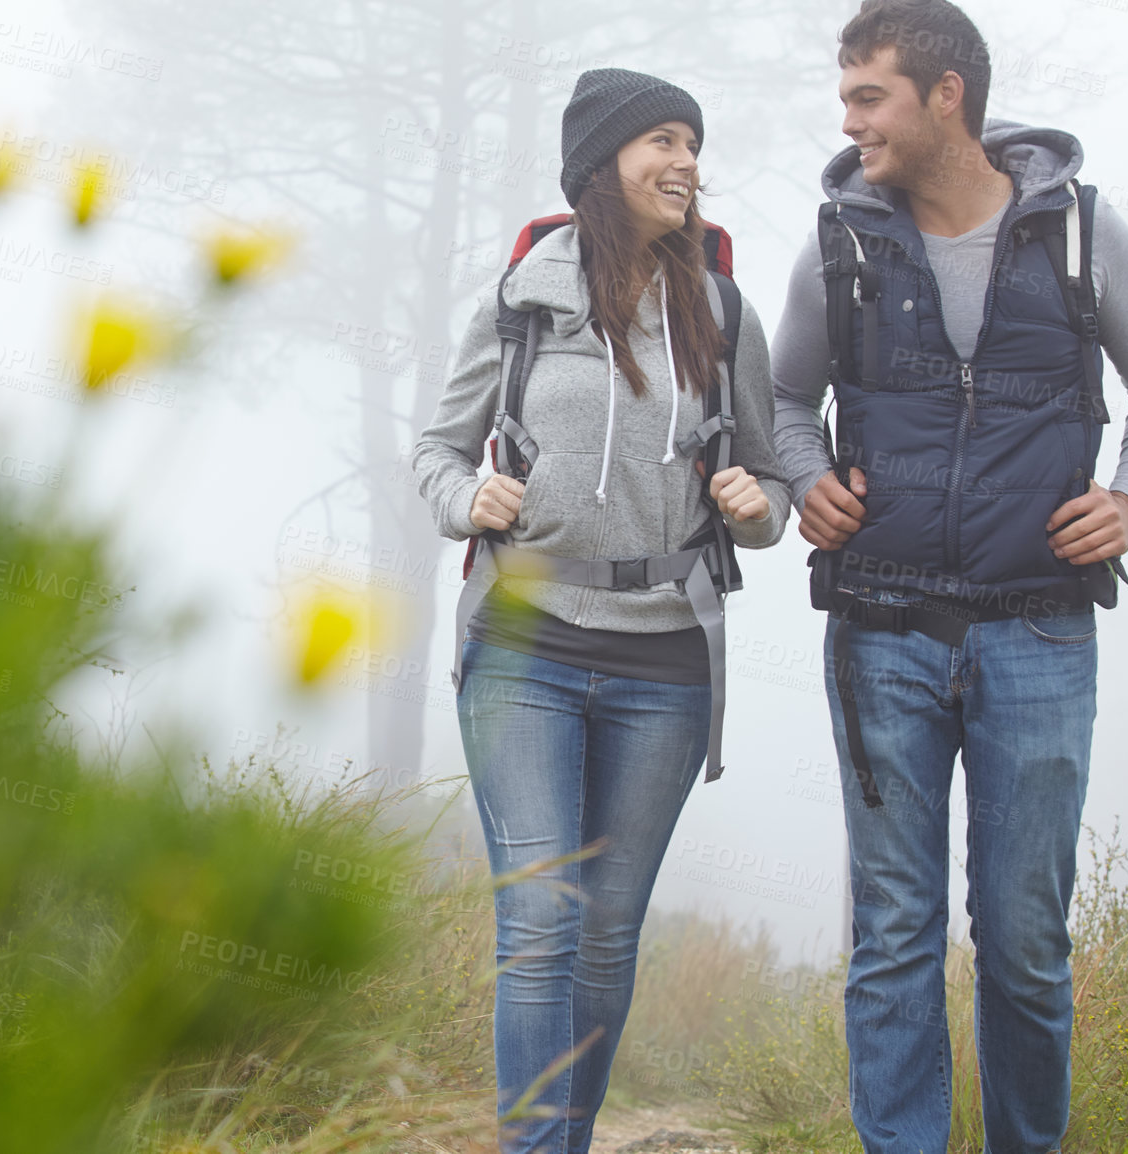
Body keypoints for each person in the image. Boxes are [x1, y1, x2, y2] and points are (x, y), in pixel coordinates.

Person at [767, 2, 1128, 1151]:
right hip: (879, 628)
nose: (848, 118)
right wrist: (807, 476)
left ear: (945, 95)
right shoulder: (839, 242)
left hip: (1041, 635)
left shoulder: (1080, 235)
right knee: (895, 930)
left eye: (869, 95)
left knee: (1021, 937)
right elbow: (776, 401)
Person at [411, 67, 791, 1154]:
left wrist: (756, 505)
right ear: (600, 166)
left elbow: (771, 489)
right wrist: (462, 497)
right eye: (660, 141)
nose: (684, 163)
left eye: (692, 145)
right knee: (540, 923)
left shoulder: (722, 310)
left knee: (606, 934)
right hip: (522, 642)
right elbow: (439, 448)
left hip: (665, 658)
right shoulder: (520, 299)